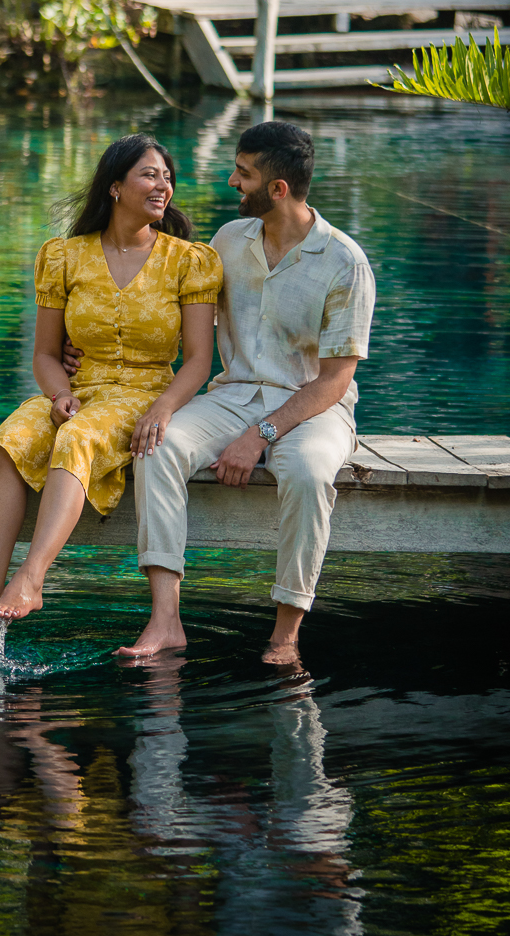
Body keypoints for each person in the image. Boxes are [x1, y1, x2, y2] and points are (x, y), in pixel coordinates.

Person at [110, 121, 376, 663]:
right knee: (155, 446)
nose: (232, 181)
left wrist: (261, 435)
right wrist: (78, 351)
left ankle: (285, 634)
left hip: (313, 407)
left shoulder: (345, 262)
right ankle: (166, 621)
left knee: (307, 473)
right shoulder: (228, 240)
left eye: (243, 173)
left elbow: (335, 379)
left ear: (277, 189)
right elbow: (172, 318)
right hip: (229, 395)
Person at [0, 134, 222, 651]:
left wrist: (164, 408)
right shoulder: (63, 256)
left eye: (167, 177)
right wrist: (57, 395)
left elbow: (199, 363)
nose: (162, 185)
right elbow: (46, 355)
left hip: (143, 395)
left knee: (77, 438)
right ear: (115, 187)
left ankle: (32, 579)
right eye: (149, 174)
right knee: (10, 441)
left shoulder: (191, 261)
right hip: (77, 389)